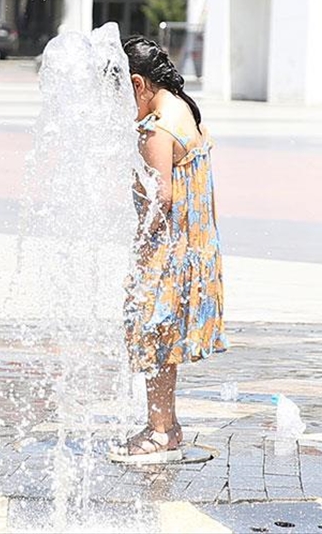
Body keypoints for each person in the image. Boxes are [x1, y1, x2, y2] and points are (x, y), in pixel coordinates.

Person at [109, 35, 226, 464]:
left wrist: (142, 253)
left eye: (120, 94)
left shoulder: (156, 128)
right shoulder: (183, 109)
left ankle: (160, 432)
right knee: (163, 339)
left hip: (167, 250)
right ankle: (167, 425)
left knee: (153, 336)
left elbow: (161, 199)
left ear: (138, 84)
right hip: (194, 245)